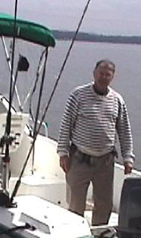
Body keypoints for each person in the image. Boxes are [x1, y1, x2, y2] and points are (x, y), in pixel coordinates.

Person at [57, 59, 135, 226]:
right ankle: (75, 236)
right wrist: (63, 152)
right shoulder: (78, 95)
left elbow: (124, 130)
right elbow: (66, 125)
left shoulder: (117, 100)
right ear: (94, 73)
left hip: (105, 162)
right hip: (79, 159)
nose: (103, 77)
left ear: (112, 77)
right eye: (101, 73)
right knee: (76, 203)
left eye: (108, 75)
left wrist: (128, 157)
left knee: (104, 204)